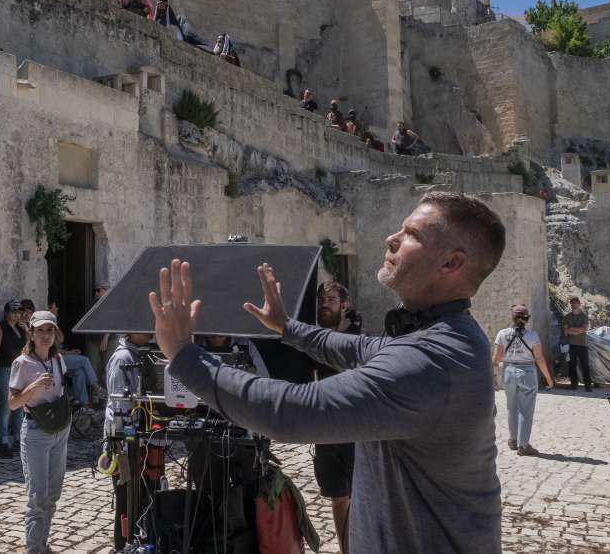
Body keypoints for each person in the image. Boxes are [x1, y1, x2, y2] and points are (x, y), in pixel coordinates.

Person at [151, 191, 506, 552]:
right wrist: (287, 327)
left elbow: (293, 411)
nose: (391, 239)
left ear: (451, 264)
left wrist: (183, 354)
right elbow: (355, 347)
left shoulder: (434, 361)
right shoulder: (445, 335)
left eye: (412, 234)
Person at [9, 311, 71, 554]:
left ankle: (43, 544)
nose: (46, 335)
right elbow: (12, 404)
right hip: (35, 433)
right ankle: (34, 549)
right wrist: (32, 387)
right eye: (41, 330)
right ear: (32, 334)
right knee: (37, 498)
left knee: (53, 495)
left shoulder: (57, 360)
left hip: (60, 430)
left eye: (50, 330)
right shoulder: (21, 363)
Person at [309, 280, 362, 554]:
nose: (323, 305)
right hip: (326, 431)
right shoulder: (314, 340)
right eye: (320, 300)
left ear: (345, 305)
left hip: (356, 432)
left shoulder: (357, 338)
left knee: (361, 496)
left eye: (330, 300)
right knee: (338, 497)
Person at [102, 331, 159, 552]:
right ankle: (121, 546)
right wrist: (125, 441)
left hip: (140, 438)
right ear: (129, 332)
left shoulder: (141, 355)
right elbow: (119, 405)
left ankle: (141, 543)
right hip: (124, 442)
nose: (149, 332)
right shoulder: (122, 357)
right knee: (126, 500)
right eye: (142, 328)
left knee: (144, 497)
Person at [492, 305, 555, 456]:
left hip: (507, 372)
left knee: (511, 407)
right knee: (526, 410)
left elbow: (496, 359)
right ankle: (524, 445)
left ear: (512, 318)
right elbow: (539, 358)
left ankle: (513, 440)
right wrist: (548, 378)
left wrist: (494, 377)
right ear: (527, 319)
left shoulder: (502, 333)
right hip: (526, 372)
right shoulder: (532, 335)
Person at [0, 300, 29, 457]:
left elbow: (28, 347)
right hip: (5, 369)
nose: (16, 315)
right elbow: (5, 348)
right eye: (14, 312)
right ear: (7, 312)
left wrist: (27, 331)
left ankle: (18, 439)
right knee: (6, 405)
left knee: (19, 406)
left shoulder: (19, 329)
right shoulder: (1, 327)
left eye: (18, 312)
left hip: (19, 370)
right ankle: (2, 440)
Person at [561, 297, 594, 391]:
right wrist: (577, 330)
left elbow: (584, 329)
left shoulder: (584, 316)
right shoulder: (567, 317)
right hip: (571, 344)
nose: (573, 305)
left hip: (582, 344)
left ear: (579, 304)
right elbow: (565, 332)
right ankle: (573, 384)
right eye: (572, 303)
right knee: (572, 365)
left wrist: (572, 329)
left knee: (585, 365)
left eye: (575, 303)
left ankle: (588, 385)